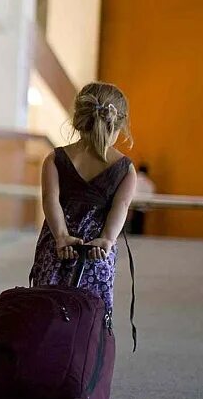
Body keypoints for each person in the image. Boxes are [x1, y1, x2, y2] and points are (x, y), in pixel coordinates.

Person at [30, 82, 138, 312]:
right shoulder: (125, 169)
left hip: (58, 247)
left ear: (79, 119)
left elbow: (50, 200)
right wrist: (107, 239)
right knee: (89, 313)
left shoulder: (55, 159)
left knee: (47, 309)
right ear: (118, 124)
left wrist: (61, 236)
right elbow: (121, 206)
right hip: (96, 252)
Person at [129, 163, 155, 235]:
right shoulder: (150, 183)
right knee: (139, 229)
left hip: (132, 207)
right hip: (142, 209)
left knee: (130, 229)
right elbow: (151, 196)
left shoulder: (133, 179)